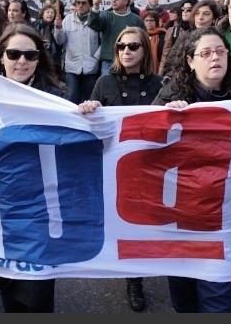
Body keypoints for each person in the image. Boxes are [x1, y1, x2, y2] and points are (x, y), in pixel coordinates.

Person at [0, 24, 64, 313]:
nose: (22, 61)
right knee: (11, 288)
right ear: (1, 56)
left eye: (30, 55)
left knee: (38, 288)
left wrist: (89, 114)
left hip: (40, 210)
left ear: (39, 59)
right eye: (14, 53)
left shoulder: (55, 99)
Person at [152, 26, 231, 312]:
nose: (214, 58)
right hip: (181, 213)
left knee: (217, 299)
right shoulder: (170, 93)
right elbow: (145, 147)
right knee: (184, 296)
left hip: (227, 213)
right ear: (190, 60)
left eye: (220, 51)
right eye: (206, 53)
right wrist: (166, 119)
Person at [78, 26, 164, 312]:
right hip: (115, 165)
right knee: (123, 223)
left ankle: (144, 276)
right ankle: (126, 274)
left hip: (149, 166)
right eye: (121, 46)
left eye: (133, 46)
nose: (126, 51)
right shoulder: (104, 82)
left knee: (145, 225)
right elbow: (92, 125)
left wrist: (177, 106)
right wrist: (89, 107)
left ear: (144, 50)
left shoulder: (159, 83)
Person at [87, 0, 146, 76]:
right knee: (107, 89)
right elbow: (92, 24)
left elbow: (144, 41)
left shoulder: (136, 19)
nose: (113, 0)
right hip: (109, 61)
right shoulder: (106, 15)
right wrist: (95, 6)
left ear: (126, 1)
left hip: (130, 61)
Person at [53, 0, 101, 104]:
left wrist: (96, 58)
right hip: (72, 66)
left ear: (90, 5)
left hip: (91, 66)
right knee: (71, 97)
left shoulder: (96, 19)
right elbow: (60, 41)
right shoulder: (68, 19)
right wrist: (58, 28)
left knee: (89, 99)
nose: (80, 5)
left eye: (84, 3)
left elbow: (103, 41)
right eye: (78, 3)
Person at [162, 0, 220, 78]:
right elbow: (170, 64)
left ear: (214, 18)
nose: (200, 17)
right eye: (197, 13)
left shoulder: (219, 39)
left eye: (206, 14)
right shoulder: (184, 37)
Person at [159, 0, 196, 76]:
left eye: (189, 9)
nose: (185, 11)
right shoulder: (174, 29)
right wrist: (162, 73)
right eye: (183, 9)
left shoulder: (200, 30)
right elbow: (166, 54)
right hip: (176, 72)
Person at [34, 2, 63, 75]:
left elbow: (60, 42)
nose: (50, 14)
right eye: (47, 12)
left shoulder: (57, 26)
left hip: (53, 60)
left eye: (52, 12)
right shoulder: (35, 25)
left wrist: (58, 28)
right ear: (42, 14)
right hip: (39, 57)